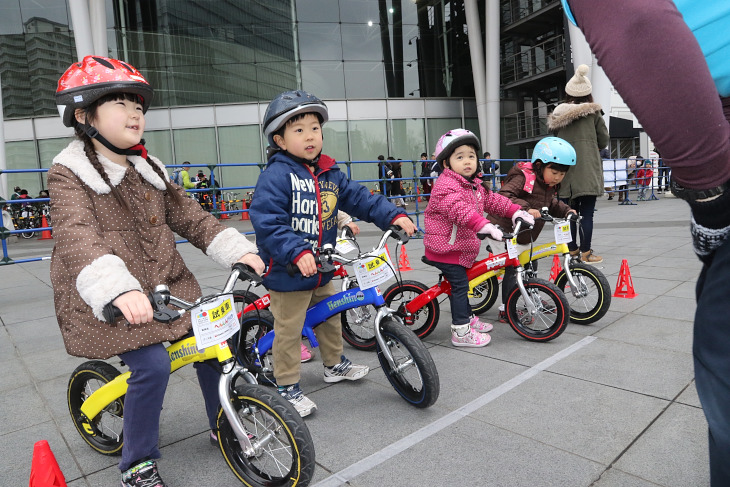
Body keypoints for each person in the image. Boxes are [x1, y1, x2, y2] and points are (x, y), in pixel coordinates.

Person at [49, 55, 265, 487]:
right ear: (82, 115)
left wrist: (237, 249)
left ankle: (223, 421)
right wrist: (116, 290)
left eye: (139, 106)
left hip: (166, 287)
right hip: (108, 296)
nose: (134, 113)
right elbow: (77, 235)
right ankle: (136, 462)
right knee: (151, 367)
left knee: (216, 339)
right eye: (119, 103)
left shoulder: (150, 170)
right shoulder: (68, 174)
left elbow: (192, 217)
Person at [560, 1, 730, 484]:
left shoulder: (559, 116)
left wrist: (711, 197)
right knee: (583, 215)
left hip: (579, 177)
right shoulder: (589, 115)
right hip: (588, 176)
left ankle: (576, 252)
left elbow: (637, 23)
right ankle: (581, 251)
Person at [249, 90, 416, 417]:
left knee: (329, 315)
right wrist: (296, 251)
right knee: (289, 328)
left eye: (315, 128)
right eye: (298, 130)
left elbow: (361, 198)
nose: (310, 135)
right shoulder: (276, 176)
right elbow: (267, 221)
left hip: (323, 265)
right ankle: (287, 385)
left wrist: (393, 215)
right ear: (280, 141)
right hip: (288, 271)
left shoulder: (330, 174)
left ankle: (334, 364)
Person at [423, 128, 533, 347]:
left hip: (460, 248)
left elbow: (494, 201)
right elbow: (459, 211)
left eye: (471, 156)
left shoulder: (474, 185)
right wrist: (484, 225)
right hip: (445, 248)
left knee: (465, 281)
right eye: (460, 157)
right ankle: (461, 332)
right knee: (460, 285)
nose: (467, 161)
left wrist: (515, 211)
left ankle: (468, 317)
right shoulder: (445, 186)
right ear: (446, 163)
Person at [487, 137, 577, 322]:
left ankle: (533, 297)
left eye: (562, 174)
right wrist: (525, 209)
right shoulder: (523, 176)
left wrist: (567, 210)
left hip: (522, 233)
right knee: (514, 268)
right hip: (502, 229)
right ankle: (506, 309)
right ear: (539, 165)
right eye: (554, 172)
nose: (558, 177)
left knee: (531, 264)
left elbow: (550, 203)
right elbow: (504, 196)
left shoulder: (547, 185)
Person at [547, 64, 610, 264]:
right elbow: (603, 141)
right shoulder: (593, 114)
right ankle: (586, 253)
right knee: (587, 214)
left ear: (568, 92)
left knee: (568, 213)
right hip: (588, 170)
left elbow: (553, 140)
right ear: (588, 93)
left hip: (563, 171)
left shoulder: (558, 115)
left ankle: (571, 250)